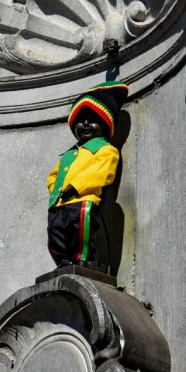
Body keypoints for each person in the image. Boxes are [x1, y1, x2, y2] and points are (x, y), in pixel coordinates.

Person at [47, 81, 129, 269]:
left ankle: (84, 262)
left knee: (80, 232)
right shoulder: (69, 154)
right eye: (81, 120)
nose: (85, 124)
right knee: (55, 234)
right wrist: (55, 190)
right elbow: (53, 175)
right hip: (58, 202)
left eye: (92, 120)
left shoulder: (106, 150)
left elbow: (101, 174)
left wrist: (76, 188)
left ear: (105, 126)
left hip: (82, 200)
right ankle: (65, 262)